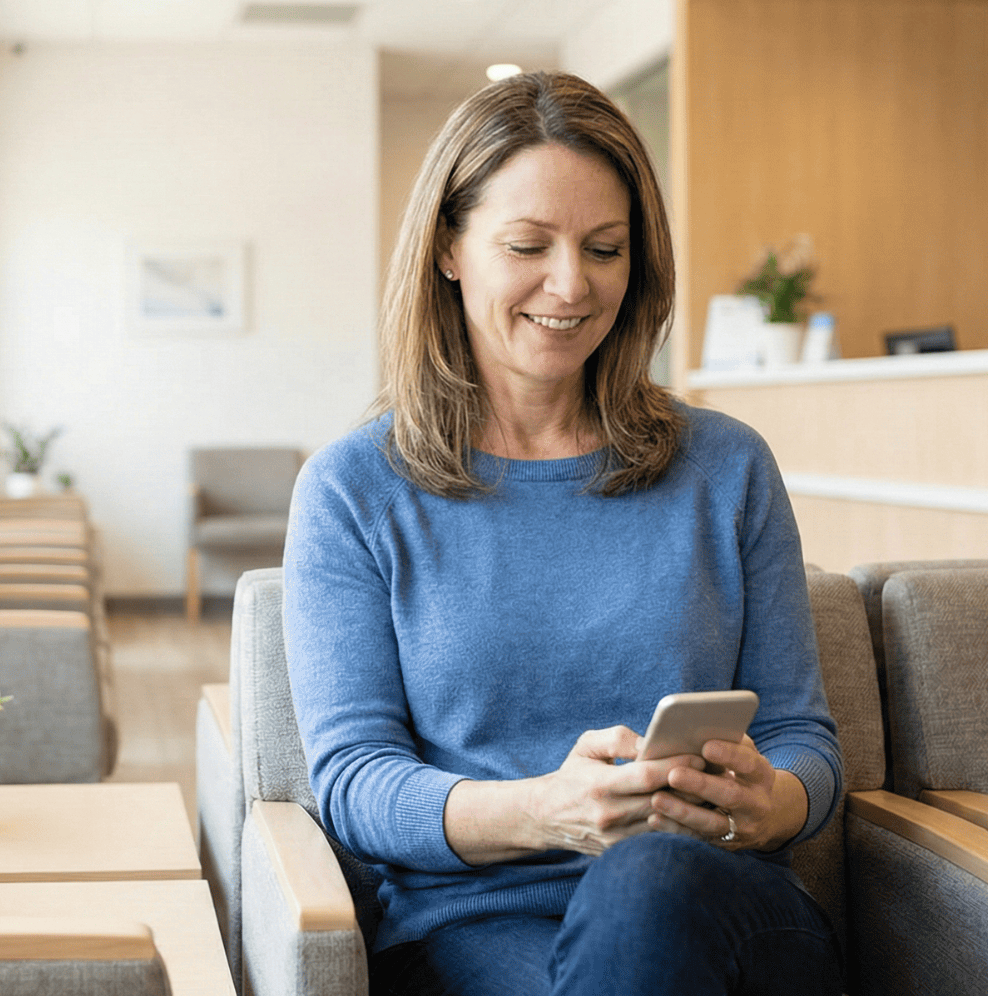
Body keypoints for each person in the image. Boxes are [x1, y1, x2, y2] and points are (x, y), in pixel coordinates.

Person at [283, 70, 843, 996]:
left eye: (605, 248)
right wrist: (547, 811)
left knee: (648, 880)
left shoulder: (726, 467)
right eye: (528, 245)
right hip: (474, 927)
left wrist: (765, 804)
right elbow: (352, 781)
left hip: (726, 912)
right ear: (450, 250)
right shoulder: (353, 489)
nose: (572, 284)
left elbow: (801, 737)